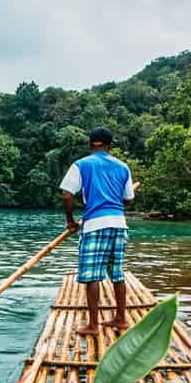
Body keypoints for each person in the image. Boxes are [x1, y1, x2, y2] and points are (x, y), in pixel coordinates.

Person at [59, 126, 137, 336]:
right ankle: (121, 318)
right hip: (119, 224)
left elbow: (67, 195)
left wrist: (70, 221)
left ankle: (93, 325)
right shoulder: (123, 167)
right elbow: (129, 199)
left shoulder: (82, 165)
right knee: (117, 274)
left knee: (92, 275)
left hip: (95, 225)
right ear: (109, 145)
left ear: (93, 143)